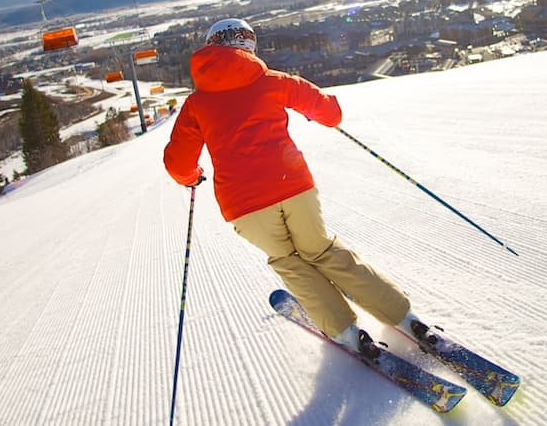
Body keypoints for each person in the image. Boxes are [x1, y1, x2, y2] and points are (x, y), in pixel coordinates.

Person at [163, 18, 430, 356]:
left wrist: (192, 176)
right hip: (294, 186)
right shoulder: (271, 81)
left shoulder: (195, 105)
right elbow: (330, 113)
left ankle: (346, 333)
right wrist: (311, 112)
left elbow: (177, 164)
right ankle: (405, 318)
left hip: (244, 204)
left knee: (289, 260)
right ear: (249, 47)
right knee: (321, 250)